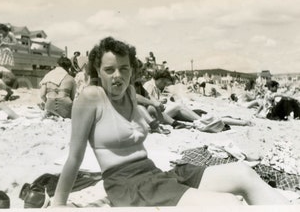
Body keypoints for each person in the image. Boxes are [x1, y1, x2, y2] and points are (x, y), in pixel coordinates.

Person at [52, 37, 288, 207]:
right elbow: (75, 156)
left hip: (154, 173)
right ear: (97, 70)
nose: (118, 76)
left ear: (131, 70)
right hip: (128, 186)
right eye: (109, 69)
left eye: (124, 69)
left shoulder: (131, 94)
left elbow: (144, 112)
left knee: (243, 173)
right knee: (228, 204)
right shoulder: (91, 97)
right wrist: (59, 204)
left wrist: (155, 115)